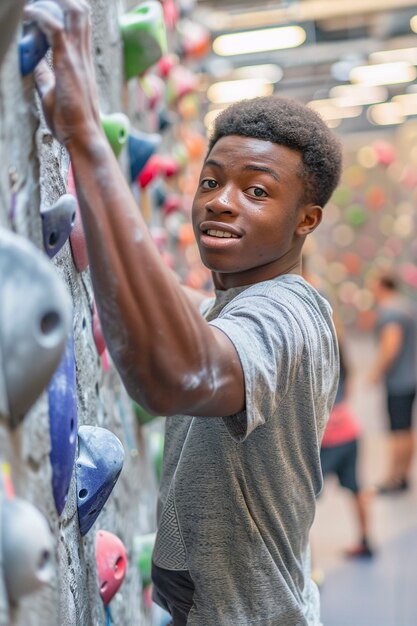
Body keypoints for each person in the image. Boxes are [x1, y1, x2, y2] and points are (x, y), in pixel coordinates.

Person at [25, 2, 343, 624]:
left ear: (306, 220)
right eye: (210, 182)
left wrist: (87, 137)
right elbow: (168, 305)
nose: (222, 203)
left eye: (256, 191)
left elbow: (174, 374)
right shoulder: (228, 305)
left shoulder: (288, 317)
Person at [320, 339, 374, 558]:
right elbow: (347, 393)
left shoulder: (315, 364)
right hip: (349, 429)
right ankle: (365, 541)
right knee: (355, 487)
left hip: (327, 436)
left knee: (301, 499)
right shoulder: (343, 362)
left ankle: (306, 569)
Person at [369, 271, 417, 494]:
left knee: (398, 430)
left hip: (398, 381)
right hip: (411, 376)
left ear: (382, 287)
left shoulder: (390, 312)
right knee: (406, 429)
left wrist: (377, 371)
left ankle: (395, 477)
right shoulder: (407, 305)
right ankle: (404, 475)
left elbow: (391, 345)